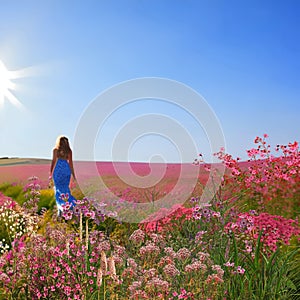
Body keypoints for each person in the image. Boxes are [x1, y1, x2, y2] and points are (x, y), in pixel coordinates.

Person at [49, 135, 77, 215]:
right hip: (66, 170)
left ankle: (61, 209)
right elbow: (70, 163)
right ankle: (70, 206)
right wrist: (73, 175)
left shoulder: (55, 150)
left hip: (58, 170)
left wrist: (51, 173)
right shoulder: (69, 151)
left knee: (58, 190)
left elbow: (53, 162)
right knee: (66, 189)